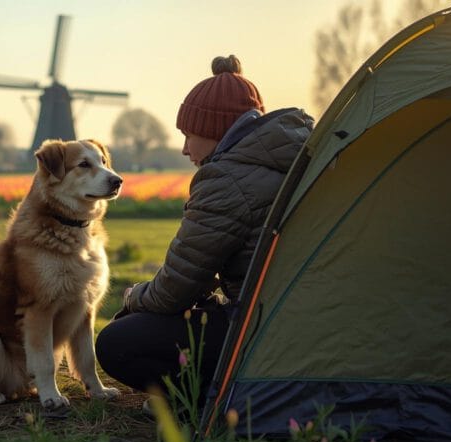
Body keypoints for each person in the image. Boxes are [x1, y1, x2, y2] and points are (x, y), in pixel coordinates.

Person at [95, 55, 314, 405]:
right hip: (302, 324)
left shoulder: (226, 179)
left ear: (216, 131)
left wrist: (132, 297)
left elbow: (172, 291)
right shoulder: (296, 156)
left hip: (261, 330)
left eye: (189, 135)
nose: (184, 149)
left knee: (116, 341)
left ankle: (204, 400)